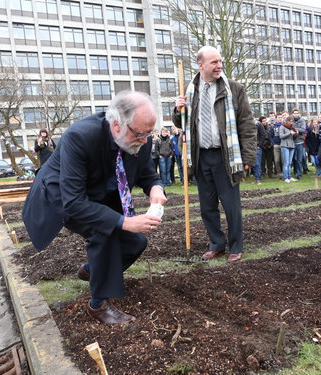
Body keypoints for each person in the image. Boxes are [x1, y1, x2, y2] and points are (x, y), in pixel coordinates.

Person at [22, 91, 166, 325]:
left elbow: (148, 173)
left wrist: (156, 189)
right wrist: (125, 222)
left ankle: (91, 270)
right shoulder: (79, 137)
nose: (145, 140)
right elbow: (75, 202)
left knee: (136, 242)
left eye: (149, 133)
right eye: (140, 134)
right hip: (65, 195)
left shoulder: (141, 136)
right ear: (117, 125)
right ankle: (97, 305)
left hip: (102, 191)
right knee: (105, 232)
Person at [173, 46, 256, 263]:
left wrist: (248, 157)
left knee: (231, 205)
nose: (219, 65)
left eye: (220, 61)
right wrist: (177, 109)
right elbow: (181, 123)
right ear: (201, 65)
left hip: (225, 157)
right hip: (200, 157)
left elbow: (247, 124)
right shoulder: (190, 90)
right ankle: (216, 244)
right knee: (207, 206)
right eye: (214, 62)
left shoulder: (234, 89)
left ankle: (236, 246)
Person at [279, 115, 298, 183]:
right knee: (286, 162)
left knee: (290, 163)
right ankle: (285, 177)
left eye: (292, 121)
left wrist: (296, 134)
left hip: (292, 146)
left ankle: (289, 177)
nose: (291, 122)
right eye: (290, 121)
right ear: (287, 121)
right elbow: (281, 136)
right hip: (284, 146)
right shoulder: (282, 126)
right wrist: (289, 133)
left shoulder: (292, 128)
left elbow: (294, 138)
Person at [292, 109, 307, 180]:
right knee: (294, 159)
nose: (296, 114)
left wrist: (296, 129)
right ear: (292, 114)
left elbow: (303, 130)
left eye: (297, 113)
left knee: (299, 159)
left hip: (300, 142)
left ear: (299, 114)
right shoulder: (290, 120)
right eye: (294, 113)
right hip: (292, 142)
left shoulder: (302, 120)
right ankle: (295, 172)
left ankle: (299, 174)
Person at [269, 112, 283, 178]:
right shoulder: (273, 126)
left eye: (281, 117)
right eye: (279, 117)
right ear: (276, 118)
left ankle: (283, 173)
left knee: (283, 160)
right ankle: (278, 172)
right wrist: (273, 143)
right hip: (276, 145)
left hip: (283, 145)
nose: (280, 119)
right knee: (277, 160)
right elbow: (270, 136)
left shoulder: (284, 125)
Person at [252, 116, 265, 185]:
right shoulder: (247, 124)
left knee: (257, 163)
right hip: (250, 147)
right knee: (253, 164)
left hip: (257, 147)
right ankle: (256, 178)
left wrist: (259, 145)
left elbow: (263, 135)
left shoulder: (258, 124)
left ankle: (258, 179)